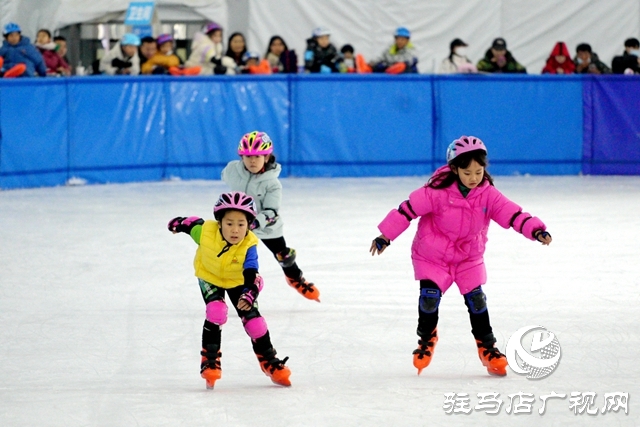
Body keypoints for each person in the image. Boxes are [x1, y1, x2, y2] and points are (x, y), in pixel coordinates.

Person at [369, 136, 552, 377]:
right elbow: (407, 210)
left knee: (477, 301)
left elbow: (513, 214)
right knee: (429, 298)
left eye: (479, 171)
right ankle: (426, 338)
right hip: (432, 256)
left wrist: (535, 229)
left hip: (468, 258)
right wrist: (385, 236)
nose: (474, 178)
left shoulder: (488, 194)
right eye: (467, 172)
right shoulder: (435, 192)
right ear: (454, 169)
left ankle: (488, 348)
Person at [168, 191, 292, 389]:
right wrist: (177, 223)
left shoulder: (249, 244)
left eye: (241, 224)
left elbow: (252, 272)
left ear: (249, 225)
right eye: (229, 223)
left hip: (238, 281)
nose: (235, 230)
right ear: (219, 223)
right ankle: (209, 360)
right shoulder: (206, 232)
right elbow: (191, 223)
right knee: (216, 311)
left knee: (255, 323)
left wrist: (250, 292)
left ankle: (269, 360)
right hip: (210, 276)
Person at [221, 131, 321, 302]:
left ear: (267, 157)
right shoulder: (232, 170)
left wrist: (255, 223)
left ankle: (295, 278)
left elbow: (271, 212)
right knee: (232, 257)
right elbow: (226, 181)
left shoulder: (273, 184)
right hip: (239, 225)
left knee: (284, 255)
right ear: (241, 157)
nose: (252, 161)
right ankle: (231, 289)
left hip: (266, 227)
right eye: (247, 156)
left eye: (257, 156)